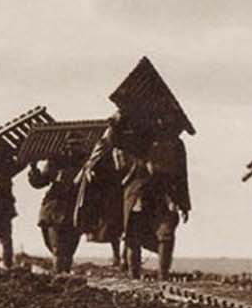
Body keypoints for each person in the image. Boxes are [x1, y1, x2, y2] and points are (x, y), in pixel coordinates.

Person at [117, 116, 190, 281]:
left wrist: (184, 203)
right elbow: (116, 140)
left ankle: (163, 277)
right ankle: (134, 277)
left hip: (164, 196)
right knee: (133, 237)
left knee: (166, 234)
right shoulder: (139, 138)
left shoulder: (176, 145)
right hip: (138, 195)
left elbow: (181, 175)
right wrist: (118, 121)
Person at [76, 121, 126, 268]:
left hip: (116, 187)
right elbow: (92, 162)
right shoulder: (103, 144)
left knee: (119, 224)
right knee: (111, 223)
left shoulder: (123, 146)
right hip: (104, 189)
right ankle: (118, 257)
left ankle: (119, 257)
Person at [29, 156, 82, 274]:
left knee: (66, 250)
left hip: (74, 210)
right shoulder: (56, 161)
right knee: (57, 249)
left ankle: (63, 276)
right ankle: (61, 276)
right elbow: (39, 182)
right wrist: (33, 168)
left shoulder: (85, 162)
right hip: (55, 209)